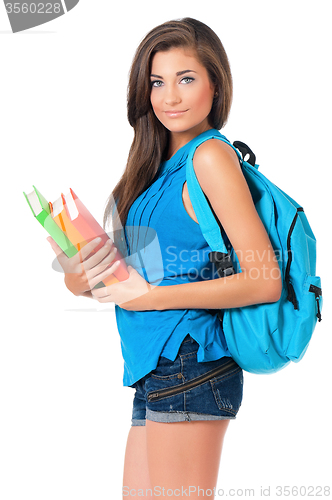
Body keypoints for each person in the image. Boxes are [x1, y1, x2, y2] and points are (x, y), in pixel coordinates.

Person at [48, 18, 282, 498]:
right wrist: (77, 271)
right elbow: (121, 282)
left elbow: (264, 280)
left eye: (186, 78)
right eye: (158, 82)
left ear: (215, 85)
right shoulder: (150, 170)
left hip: (189, 360)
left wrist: (151, 296)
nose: (170, 96)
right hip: (152, 367)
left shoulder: (210, 157)